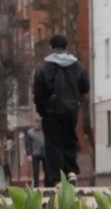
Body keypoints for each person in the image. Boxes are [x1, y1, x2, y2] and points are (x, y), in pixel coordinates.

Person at [32, 35, 89, 184]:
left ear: (51, 47)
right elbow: (85, 86)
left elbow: (38, 92)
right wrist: (74, 97)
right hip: (71, 110)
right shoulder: (78, 66)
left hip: (51, 111)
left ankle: (57, 178)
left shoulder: (43, 67)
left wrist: (41, 109)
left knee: (53, 142)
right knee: (70, 139)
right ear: (66, 46)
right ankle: (71, 172)